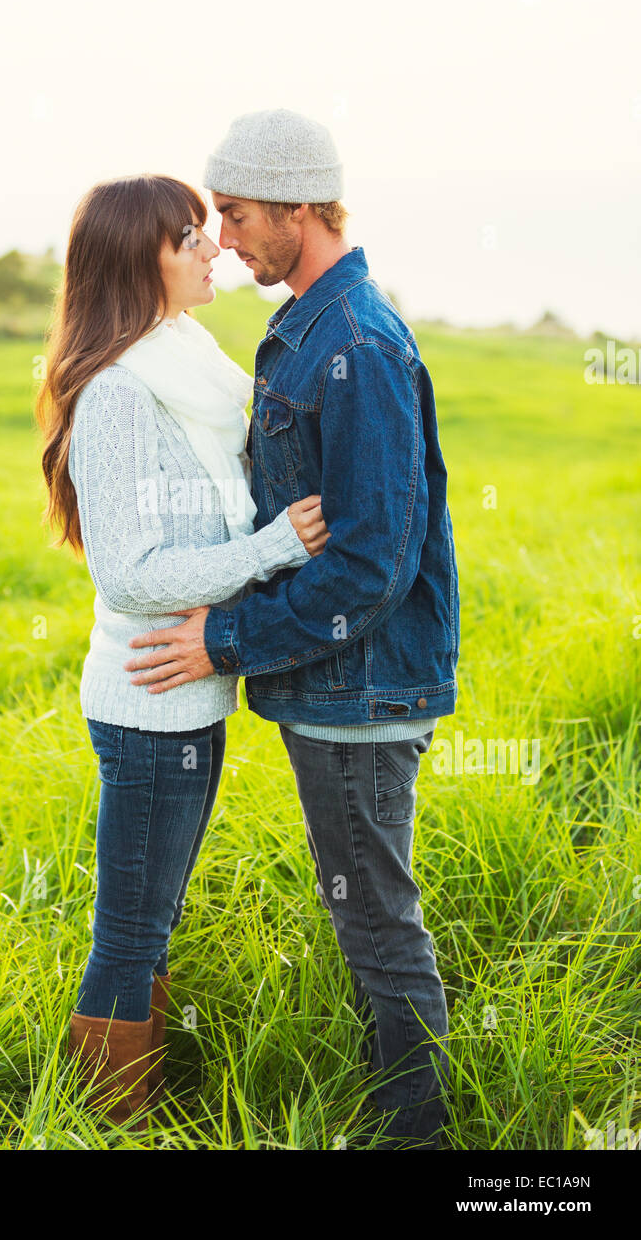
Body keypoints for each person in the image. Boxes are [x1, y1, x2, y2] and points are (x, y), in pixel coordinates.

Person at [122, 109, 460, 1149]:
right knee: (367, 916)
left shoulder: (354, 341)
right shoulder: (313, 323)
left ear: (299, 207)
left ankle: (419, 1139)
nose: (222, 238)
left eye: (234, 214)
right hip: (338, 683)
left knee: (376, 926)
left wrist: (223, 637)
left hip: (362, 688)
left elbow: (370, 562)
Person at [36, 172, 328, 1127]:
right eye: (190, 238)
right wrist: (278, 545)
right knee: (131, 935)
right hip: (149, 705)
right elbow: (129, 574)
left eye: (211, 231)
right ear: (139, 262)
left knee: (150, 929)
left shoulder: (186, 357)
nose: (215, 251)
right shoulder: (121, 393)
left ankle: (129, 1107)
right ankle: (109, 1123)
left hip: (193, 697)